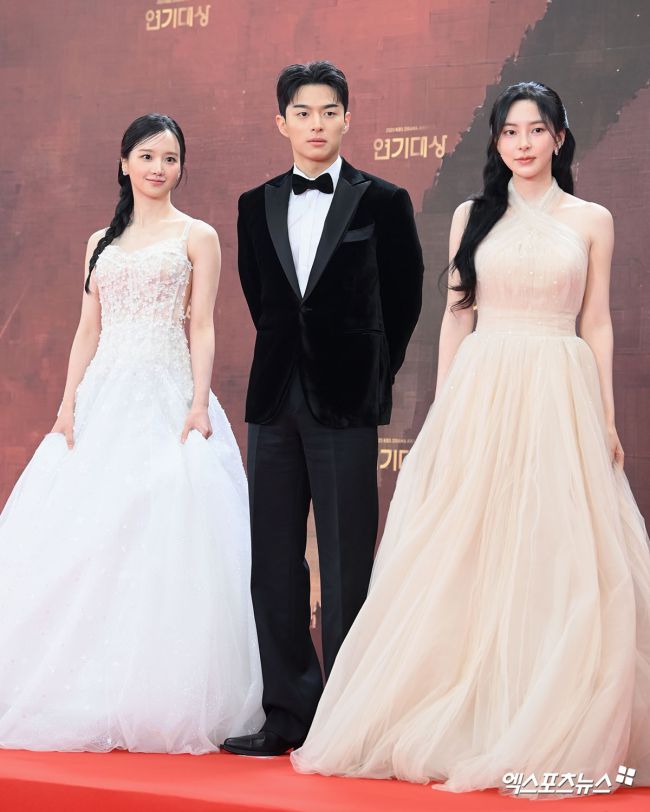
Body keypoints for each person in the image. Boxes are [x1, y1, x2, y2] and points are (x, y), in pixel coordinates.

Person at [291, 82, 650, 792]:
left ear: (559, 137)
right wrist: (445, 408)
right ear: (496, 142)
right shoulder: (470, 216)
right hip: (484, 387)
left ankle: (542, 712)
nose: (523, 143)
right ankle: (467, 709)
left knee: (556, 545)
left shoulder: (591, 220)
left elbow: (598, 322)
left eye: (536, 129)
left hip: (560, 388)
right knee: (469, 544)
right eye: (509, 131)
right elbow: (457, 317)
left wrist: (606, 416)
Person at [0, 113, 264, 753]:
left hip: (170, 396)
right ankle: (82, 686)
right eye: (146, 156)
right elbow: (87, 328)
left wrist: (198, 402)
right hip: (103, 397)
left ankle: (153, 696)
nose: (158, 168)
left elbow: (203, 325)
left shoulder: (197, 236)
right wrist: (68, 403)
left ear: (181, 166)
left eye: (170, 158)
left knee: (165, 533)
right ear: (123, 163)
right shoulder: (100, 241)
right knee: (84, 535)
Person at [221, 61, 424, 757]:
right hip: (273, 401)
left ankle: (347, 719)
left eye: (329, 112)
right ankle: (287, 715)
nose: (316, 124)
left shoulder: (384, 201)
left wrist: (368, 373)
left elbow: (403, 301)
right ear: (281, 122)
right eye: (303, 113)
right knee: (274, 564)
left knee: (346, 566)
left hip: (346, 404)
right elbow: (262, 299)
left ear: (347, 118)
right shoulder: (254, 204)